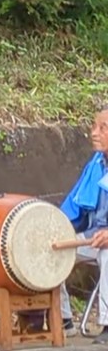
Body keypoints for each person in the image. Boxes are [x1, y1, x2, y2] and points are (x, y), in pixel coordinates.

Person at [57, 107, 108, 337]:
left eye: (103, 128)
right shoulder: (96, 165)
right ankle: (62, 319)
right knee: (51, 249)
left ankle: (107, 324)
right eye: (94, 126)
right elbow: (73, 207)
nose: (94, 133)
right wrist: (57, 228)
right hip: (93, 235)